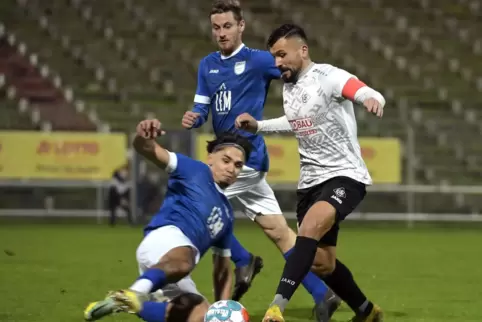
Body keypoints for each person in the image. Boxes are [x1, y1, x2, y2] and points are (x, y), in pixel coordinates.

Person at [181, 1, 339, 318]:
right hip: (230, 159)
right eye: (216, 27)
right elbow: (202, 108)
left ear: (241, 26)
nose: (222, 32)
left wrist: (319, 98)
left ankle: (241, 264)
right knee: (280, 233)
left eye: (228, 26)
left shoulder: (258, 61)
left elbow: (298, 70)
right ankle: (324, 294)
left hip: (244, 159)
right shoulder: (207, 65)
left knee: (201, 215)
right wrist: (194, 117)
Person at [235, 24, 385, 322]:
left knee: (308, 230)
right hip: (309, 184)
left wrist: (371, 98)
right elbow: (296, 121)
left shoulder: (328, 77)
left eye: (281, 55)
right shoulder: (290, 87)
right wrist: (260, 126)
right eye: (273, 57)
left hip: (344, 175)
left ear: (302, 50)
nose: (277, 63)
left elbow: (361, 89)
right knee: (322, 264)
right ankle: (367, 312)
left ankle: (276, 308)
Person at [83, 119, 253, 322]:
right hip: (163, 240)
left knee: (200, 315)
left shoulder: (227, 214)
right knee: (185, 258)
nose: (232, 168)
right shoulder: (194, 170)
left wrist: (222, 310)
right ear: (210, 158)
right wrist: (142, 137)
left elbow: (222, 271)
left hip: (175, 267)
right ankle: (135, 292)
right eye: (226, 161)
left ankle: (124, 303)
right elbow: (148, 149)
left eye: (238, 165)